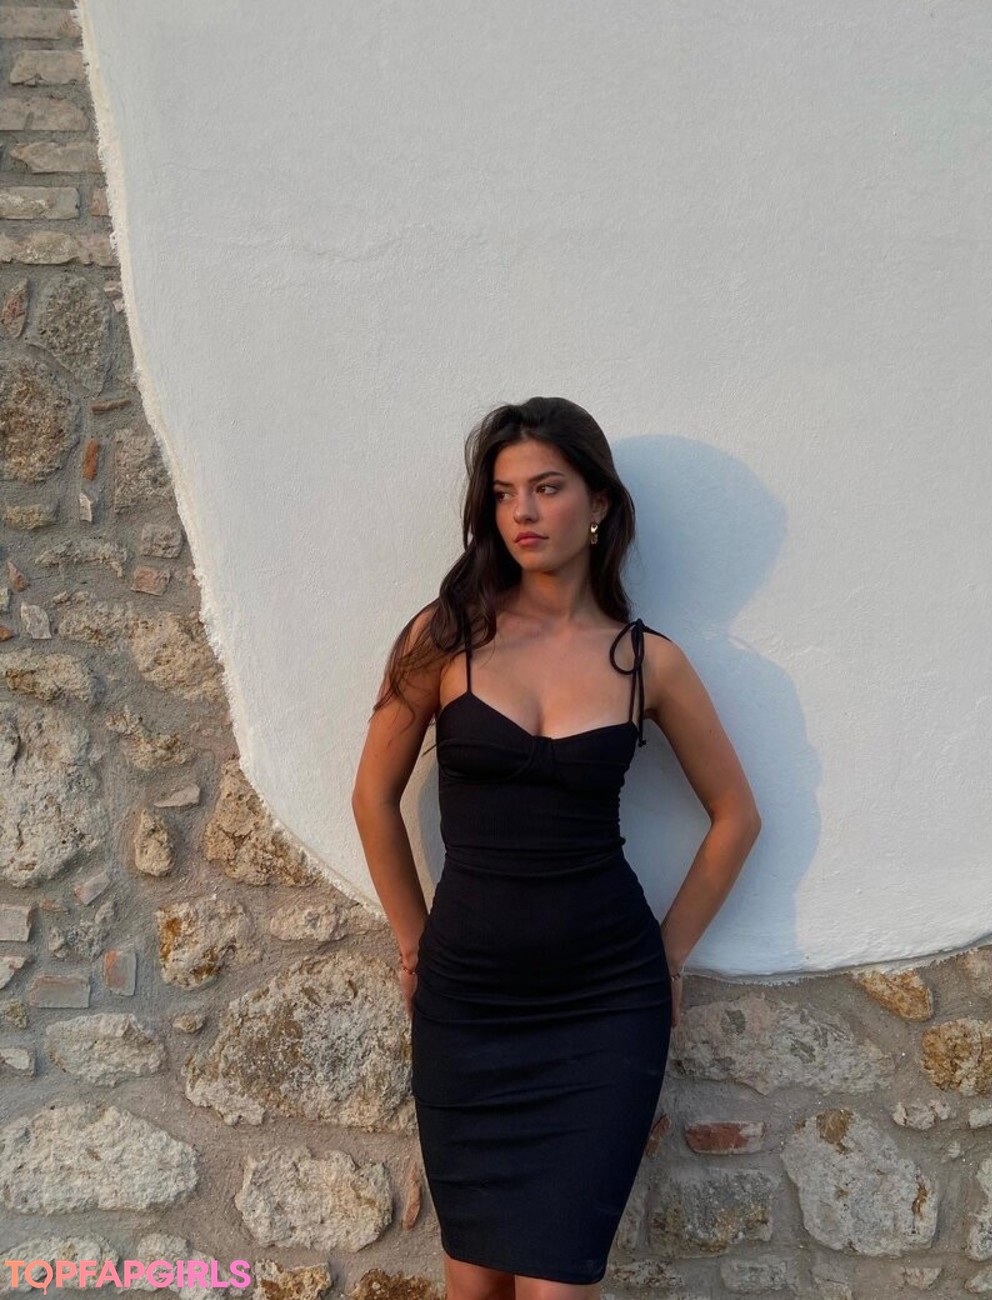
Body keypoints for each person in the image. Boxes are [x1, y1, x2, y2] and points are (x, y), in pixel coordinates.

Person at [352, 397, 761, 1300]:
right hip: (468, 1002)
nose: (524, 512)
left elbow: (736, 815)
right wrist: (415, 942)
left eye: (547, 487)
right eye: (504, 494)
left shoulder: (648, 663)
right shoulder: (444, 637)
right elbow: (373, 798)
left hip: (604, 1003)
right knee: (474, 1284)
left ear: (599, 502)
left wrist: (668, 955)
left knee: (558, 1286)